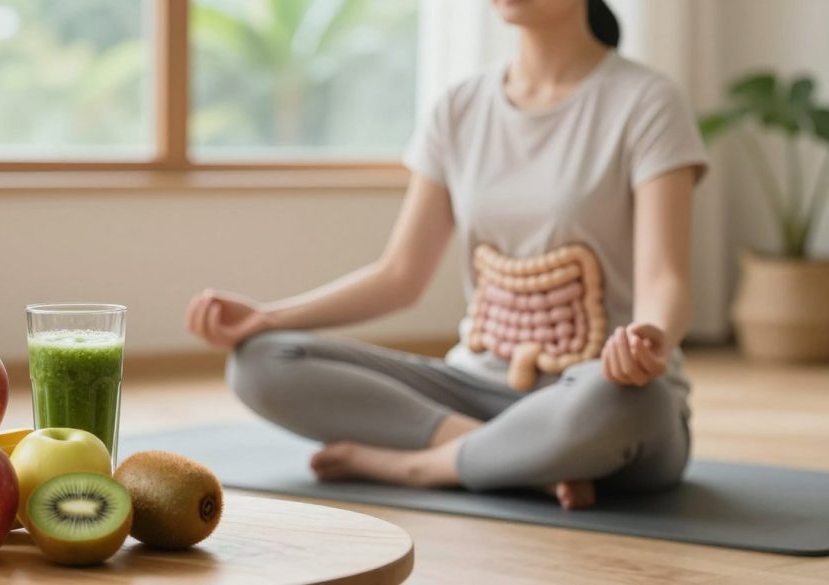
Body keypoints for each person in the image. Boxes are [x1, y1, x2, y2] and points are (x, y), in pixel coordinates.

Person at [185, 0, 708, 510]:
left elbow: (664, 277)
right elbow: (400, 275)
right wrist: (267, 317)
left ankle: (421, 466)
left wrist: (651, 339)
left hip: (596, 392)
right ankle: (515, 458)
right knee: (259, 362)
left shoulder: (647, 101)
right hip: (474, 387)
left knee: (632, 403)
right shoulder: (459, 106)